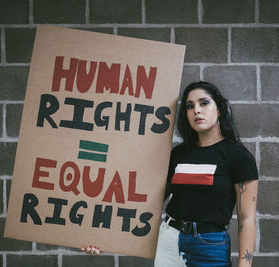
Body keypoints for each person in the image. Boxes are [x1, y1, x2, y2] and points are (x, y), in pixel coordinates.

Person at [82, 81, 259, 267]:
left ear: (220, 110)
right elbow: (147, 204)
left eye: (204, 103)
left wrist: (244, 265)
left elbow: (246, 219)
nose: (196, 110)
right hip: (169, 242)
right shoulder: (178, 154)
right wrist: (103, 239)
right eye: (190, 106)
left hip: (209, 247)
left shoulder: (239, 157)